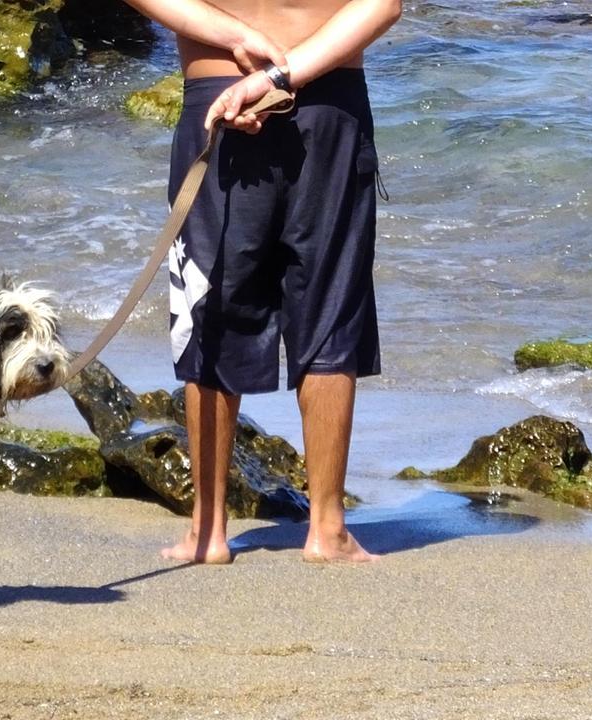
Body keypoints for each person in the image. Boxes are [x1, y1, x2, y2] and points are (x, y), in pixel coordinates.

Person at [123, 0, 402, 564]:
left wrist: (232, 36)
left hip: (218, 94)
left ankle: (208, 531)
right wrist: (283, 73)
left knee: (211, 307)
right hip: (327, 99)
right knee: (329, 306)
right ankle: (326, 529)